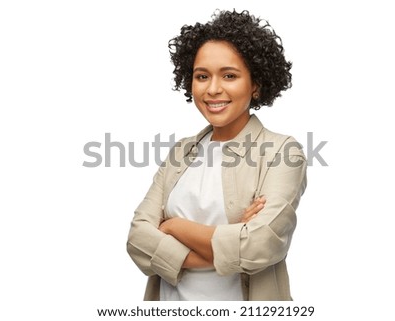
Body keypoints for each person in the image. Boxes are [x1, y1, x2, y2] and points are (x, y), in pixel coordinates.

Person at [127, 9, 307, 301]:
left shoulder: (283, 152)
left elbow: (261, 244)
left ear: (256, 84)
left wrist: (173, 227)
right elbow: (137, 239)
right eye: (202, 76)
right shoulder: (181, 152)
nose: (213, 89)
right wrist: (231, 237)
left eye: (229, 75)